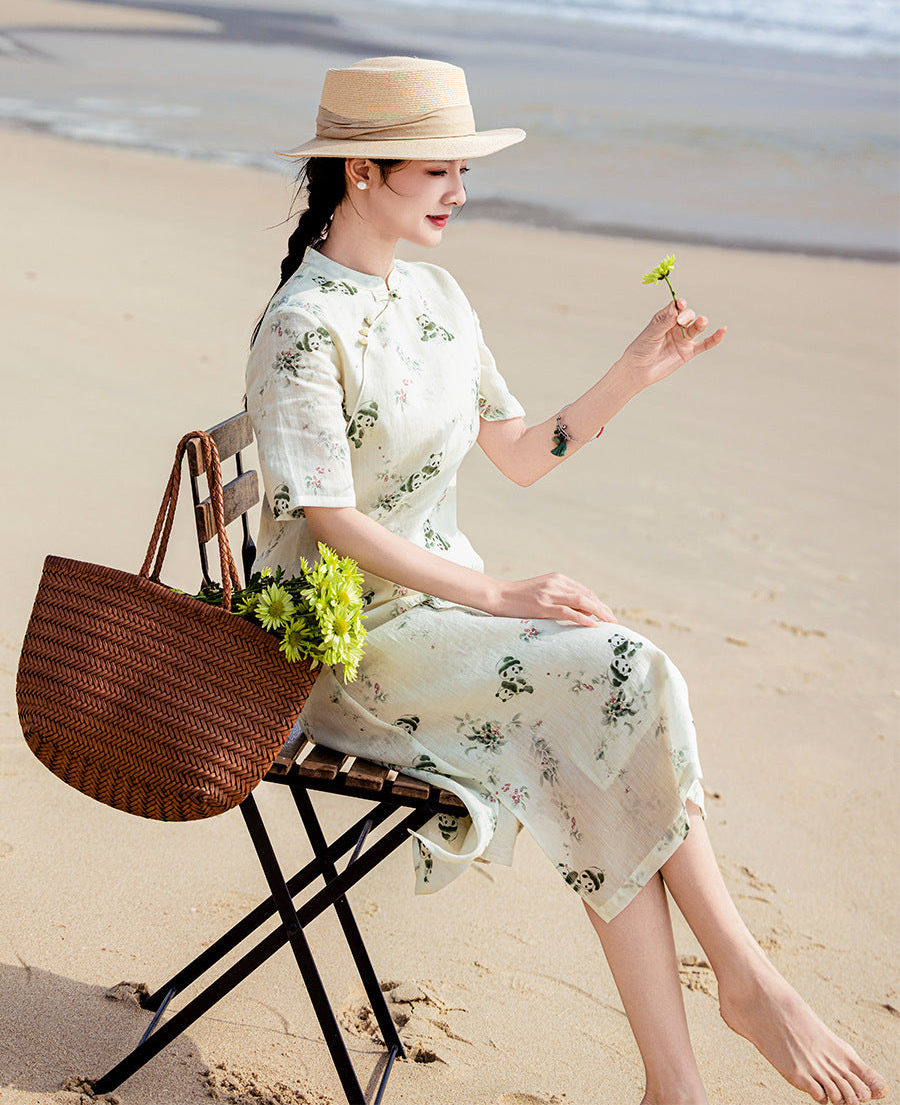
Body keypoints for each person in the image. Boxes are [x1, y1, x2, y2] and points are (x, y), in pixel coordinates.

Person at [245, 56, 886, 1105]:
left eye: (463, 168)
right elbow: (330, 519)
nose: (460, 189)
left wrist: (632, 374)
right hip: (351, 655)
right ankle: (744, 984)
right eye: (440, 169)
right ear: (362, 170)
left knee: (622, 690)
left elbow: (519, 453)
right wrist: (496, 594)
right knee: (619, 677)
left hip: (442, 620)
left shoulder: (438, 296)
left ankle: (680, 1073)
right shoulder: (302, 325)